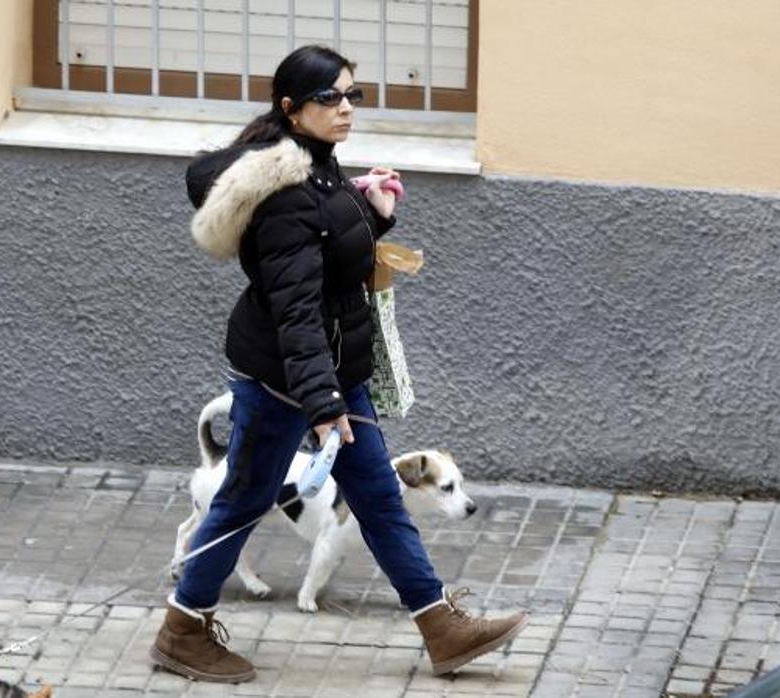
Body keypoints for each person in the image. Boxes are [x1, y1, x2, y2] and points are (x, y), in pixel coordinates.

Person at [151, 45, 527, 684]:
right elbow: (296, 310)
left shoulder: (318, 168)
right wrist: (323, 409)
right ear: (291, 109)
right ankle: (182, 629)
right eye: (331, 98)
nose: (346, 107)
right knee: (245, 500)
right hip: (282, 380)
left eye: (353, 94)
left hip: (330, 372)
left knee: (380, 499)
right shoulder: (285, 196)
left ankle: (441, 627)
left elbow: (329, 262)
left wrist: (374, 215)